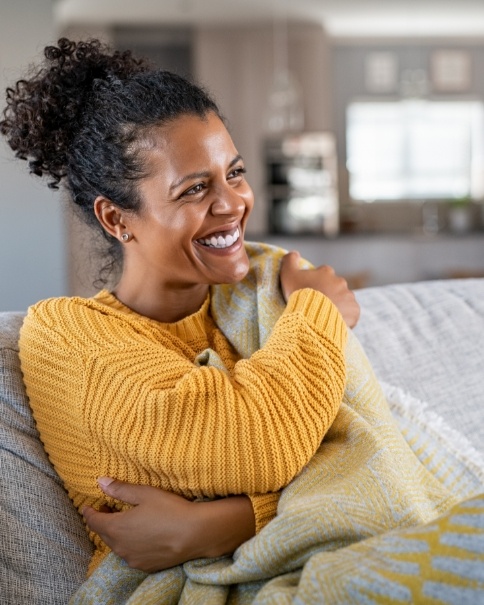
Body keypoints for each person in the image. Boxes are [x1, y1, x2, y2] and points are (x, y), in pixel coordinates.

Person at [0, 37, 359, 576]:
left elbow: (368, 448)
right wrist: (316, 308)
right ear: (117, 219)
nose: (232, 203)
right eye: (195, 189)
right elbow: (259, 441)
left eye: (234, 173)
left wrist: (216, 524)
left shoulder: (262, 289)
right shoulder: (65, 335)